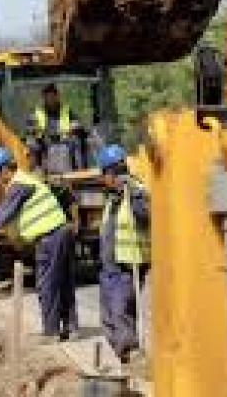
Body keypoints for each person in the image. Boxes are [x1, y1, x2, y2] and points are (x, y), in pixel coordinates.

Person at [0, 146, 78, 341]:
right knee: (62, 282)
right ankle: (71, 328)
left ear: (5, 169)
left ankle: (51, 332)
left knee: (47, 285)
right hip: (60, 233)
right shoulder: (24, 182)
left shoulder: (19, 185)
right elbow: (2, 209)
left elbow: (5, 214)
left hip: (49, 238)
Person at [97, 144, 151, 362]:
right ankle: (122, 354)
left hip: (126, 266)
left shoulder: (136, 192)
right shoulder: (113, 197)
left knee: (120, 313)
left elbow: (146, 216)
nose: (103, 179)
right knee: (108, 317)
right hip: (109, 267)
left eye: (105, 174)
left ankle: (129, 355)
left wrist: (134, 193)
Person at [27, 83, 87, 171]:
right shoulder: (36, 113)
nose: (50, 99)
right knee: (32, 144)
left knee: (78, 141)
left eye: (53, 96)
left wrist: (74, 127)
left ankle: (79, 169)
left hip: (65, 142)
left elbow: (77, 124)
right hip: (44, 144)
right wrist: (35, 131)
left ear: (57, 96)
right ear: (44, 97)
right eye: (47, 96)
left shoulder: (67, 111)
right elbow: (30, 130)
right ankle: (37, 170)